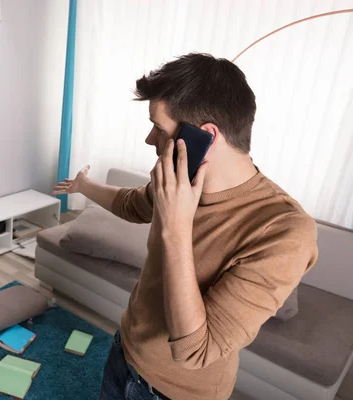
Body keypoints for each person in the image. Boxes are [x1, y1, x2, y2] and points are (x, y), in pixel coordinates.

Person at [53, 53, 318, 400]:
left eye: (159, 128)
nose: (150, 140)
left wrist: (176, 227)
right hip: (124, 352)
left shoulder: (284, 231)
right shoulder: (178, 183)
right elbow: (131, 204)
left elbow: (196, 350)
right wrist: (82, 186)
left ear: (204, 137)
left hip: (174, 392)